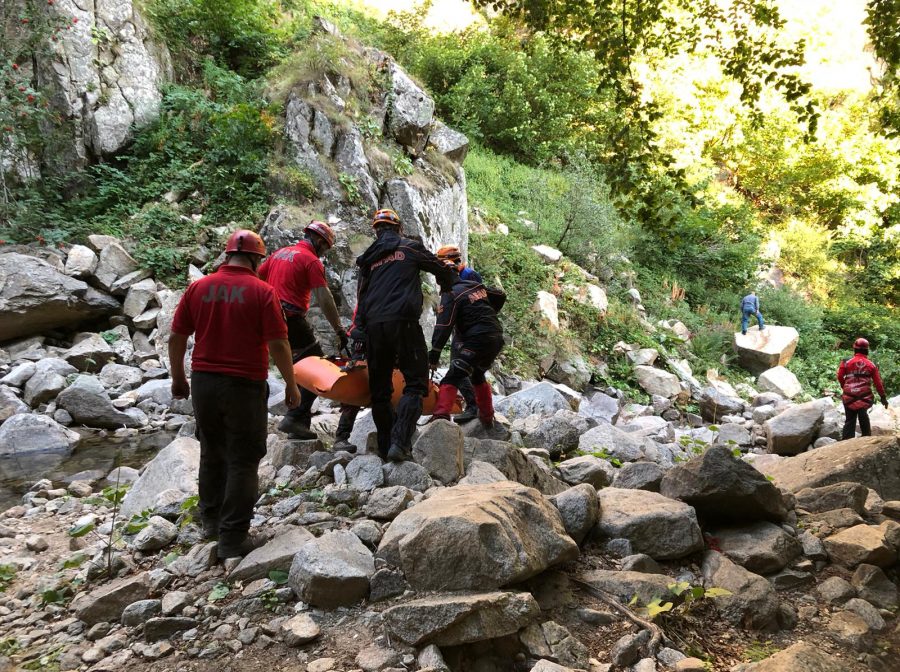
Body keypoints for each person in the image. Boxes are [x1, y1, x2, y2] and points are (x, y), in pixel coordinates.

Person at [168, 230, 301, 559]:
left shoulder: (199, 287)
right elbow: (279, 343)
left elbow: (177, 335)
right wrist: (291, 383)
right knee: (243, 459)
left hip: (203, 382)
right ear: (258, 259)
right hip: (243, 384)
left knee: (212, 450)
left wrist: (178, 378)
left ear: (226, 256)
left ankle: (211, 522)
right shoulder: (262, 291)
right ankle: (233, 538)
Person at [354, 208, 455, 461]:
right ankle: (400, 443)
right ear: (398, 228)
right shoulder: (409, 247)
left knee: (380, 391)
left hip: (374, 327)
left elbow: (361, 296)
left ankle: (387, 444)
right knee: (415, 383)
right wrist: (450, 282)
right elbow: (438, 267)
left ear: (376, 231)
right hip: (404, 323)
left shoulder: (369, 260)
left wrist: (359, 329)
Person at [258, 221, 348, 440]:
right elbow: (324, 298)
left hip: (267, 315)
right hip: (291, 318)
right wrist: (339, 330)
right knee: (316, 366)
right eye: (325, 248)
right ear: (319, 241)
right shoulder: (311, 260)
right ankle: (294, 418)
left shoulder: (279, 253)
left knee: (298, 365)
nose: (324, 253)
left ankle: (299, 423)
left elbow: (258, 279)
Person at [428, 263, 507, 438]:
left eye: (439, 279)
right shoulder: (475, 286)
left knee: (453, 376)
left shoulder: (451, 294)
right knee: (477, 375)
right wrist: (488, 311)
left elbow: (444, 326)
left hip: (477, 339)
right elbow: (500, 294)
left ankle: (440, 418)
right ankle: (487, 417)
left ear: (442, 279)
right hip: (496, 338)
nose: (438, 283)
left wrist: (434, 353)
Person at [436, 245, 482, 424]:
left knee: (457, 367)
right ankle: (477, 406)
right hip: (466, 329)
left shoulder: (467, 275)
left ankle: (473, 406)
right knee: (465, 368)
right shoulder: (461, 275)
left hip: (468, 330)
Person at [837, 337, 888, 440]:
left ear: (855, 349)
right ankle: (866, 439)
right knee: (863, 416)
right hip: (865, 398)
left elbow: (839, 376)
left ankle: (846, 444)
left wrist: (845, 387)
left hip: (849, 396)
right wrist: (883, 397)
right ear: (867, 350)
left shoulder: (846, 362)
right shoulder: (871, 365)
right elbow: (878, 383)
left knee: (850, 420)